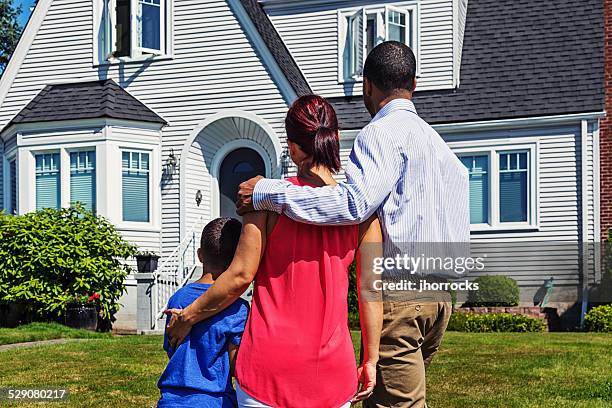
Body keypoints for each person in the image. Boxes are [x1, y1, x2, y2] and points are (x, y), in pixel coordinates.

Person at [235, 42, 470, 407]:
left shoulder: (380, 133)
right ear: (415, 84)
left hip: (401, 296)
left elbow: (353, 203)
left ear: (366, 86)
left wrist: (269, 192)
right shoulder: (439, 145)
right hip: (439, 298)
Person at [166, 95, 384, 408]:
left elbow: (240, 275)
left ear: (293, 148)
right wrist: (371, 359)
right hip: (332, 374)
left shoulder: (265, 199)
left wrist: (188, 316)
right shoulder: (362, 212)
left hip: (267, 369)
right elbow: (370, 292)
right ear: (333, 141)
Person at [158, 217, 248, 407]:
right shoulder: (237, 308)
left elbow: (171, 347)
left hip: (172, 399)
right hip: (214, 400)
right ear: (237, 260)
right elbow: (236, 367)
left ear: (200, 255)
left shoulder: (178, 298)